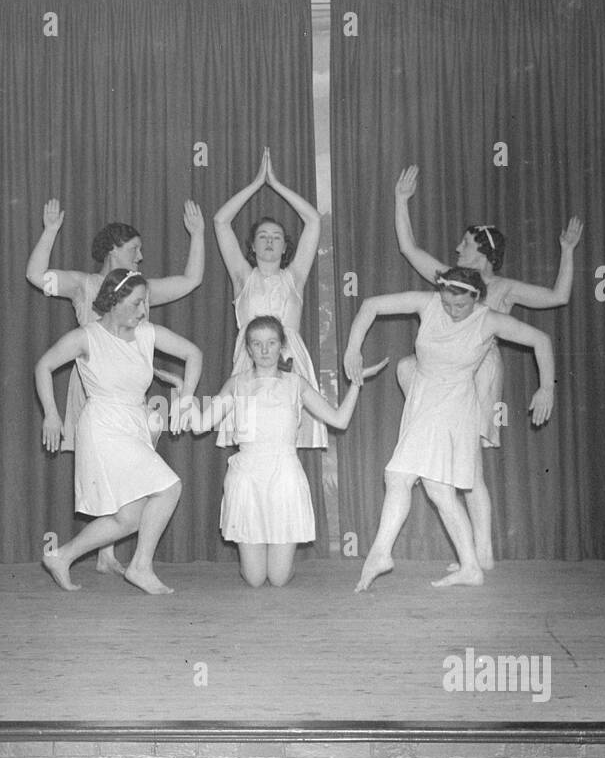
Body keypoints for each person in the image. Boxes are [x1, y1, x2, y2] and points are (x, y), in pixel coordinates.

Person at [393, 164, 582, 569]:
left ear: (483, 250)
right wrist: (400, 201)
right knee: (408, 369)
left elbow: (558, 296)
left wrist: (567, 251)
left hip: (480, 372)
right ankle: (474, 553)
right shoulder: (451, 279)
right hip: (440, 375)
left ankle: (482, 554)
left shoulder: (502, 288)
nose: (458, 248)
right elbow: (410, 249)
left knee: (471, 469)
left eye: (465, 243)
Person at [343, 267, 555, 590]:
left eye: (461, 306)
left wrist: (546, 389)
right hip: (423, 398)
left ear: (477, 297)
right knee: (438, 490)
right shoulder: (428, 303)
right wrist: (352, 349)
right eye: (448, 304)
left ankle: (380, 552)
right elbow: (370, 305)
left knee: (399, 476)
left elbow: (541, 340)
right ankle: (470, 566)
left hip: (455, 405)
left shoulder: (488, 320)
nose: (453, 311)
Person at [27, 198, 205, 575]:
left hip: (133, 388)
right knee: (107, 469)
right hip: (93, 385)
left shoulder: (144, 288)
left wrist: (198, 235)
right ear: (112, 249)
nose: (140, 257)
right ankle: (105, 554)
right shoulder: (84, 284)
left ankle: (105, 553)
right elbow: (35, 275)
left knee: (132, 472)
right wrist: (50, 230)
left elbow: (191, 281)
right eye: (134, 249)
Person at [193, 316, 387, 587]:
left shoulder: (296, 384)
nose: (264, 350)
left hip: (284, 477)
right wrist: (184, 391)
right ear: (248, 349)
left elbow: (339, 420)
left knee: (279, 578)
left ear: (282, 346)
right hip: (247, 479)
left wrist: (356, 383)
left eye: (271, 343)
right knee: (255, 579)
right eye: (257, 344)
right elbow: (202, 425)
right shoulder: (237, 384)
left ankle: (282, 562)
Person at [213, 147, 327, 448]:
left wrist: (274, 184)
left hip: (289, 358)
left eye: (276, 237)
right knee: (250, 437)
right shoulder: (242, 276)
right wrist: (255, 183)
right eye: (262, 236)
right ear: (251, 245)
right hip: (251, 358)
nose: (269, 242)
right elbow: (221, 221)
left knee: (285, 436)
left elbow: (313, 221)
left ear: (285, 247)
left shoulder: (295, 277)